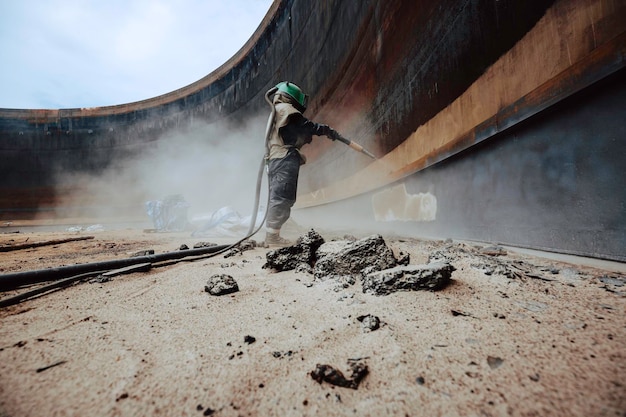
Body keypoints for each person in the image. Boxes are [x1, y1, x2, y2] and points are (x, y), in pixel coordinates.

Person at [264, 81, 343, 246]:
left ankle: (272, 235)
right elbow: (304, 126)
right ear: (292, 98)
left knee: (280, 196)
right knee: (283, 197)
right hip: (283, 157)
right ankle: (272, 237)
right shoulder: (285, 109)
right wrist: (325, 130)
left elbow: (293, 132)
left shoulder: (277, 111)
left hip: (276, 158)